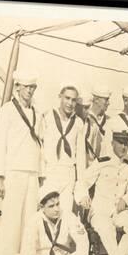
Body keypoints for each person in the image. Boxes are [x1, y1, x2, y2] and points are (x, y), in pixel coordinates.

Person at [0, 70, 44, 255]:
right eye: (26, 86)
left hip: (31, 172)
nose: (29, 90)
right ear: (18, 88)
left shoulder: (36, 112)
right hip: (13, 172)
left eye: (32, 87)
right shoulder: (6, 111)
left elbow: (39, 146)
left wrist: (41, 175)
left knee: (28, 223)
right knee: (10, 223)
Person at [74, 130, 128, 255]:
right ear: (112, 144)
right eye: (120, 143)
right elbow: (82, 181)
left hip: (118, 210)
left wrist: (126, 200)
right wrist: (83, 197)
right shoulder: (101, 162)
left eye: (126, 143)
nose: (124, 147)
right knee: (106, 229)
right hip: (100, 211)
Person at [19, 187, 90, 255]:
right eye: (51, 206)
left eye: (58, 204)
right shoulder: (34, 220)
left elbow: (82, 240)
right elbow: (28, 249)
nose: (56, 209)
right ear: (42, 207)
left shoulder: (68, 215)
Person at [41, 84, 86, 213]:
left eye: (73, 100)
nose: (70, 103)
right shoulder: (47, 117)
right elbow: (40, 148)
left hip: (68, 175)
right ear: (60, 97)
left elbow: (81, 157)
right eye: (67, 98)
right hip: (49, 173)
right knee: (47, 215)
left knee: (64, 215)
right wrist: (41, 175)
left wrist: (81, 186)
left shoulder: (78, 123)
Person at [84, 85, 111, 167]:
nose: (108, 103)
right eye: (106, 100)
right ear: (96, 100)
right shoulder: (86, 120)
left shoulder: (109, 121)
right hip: (89, 168)